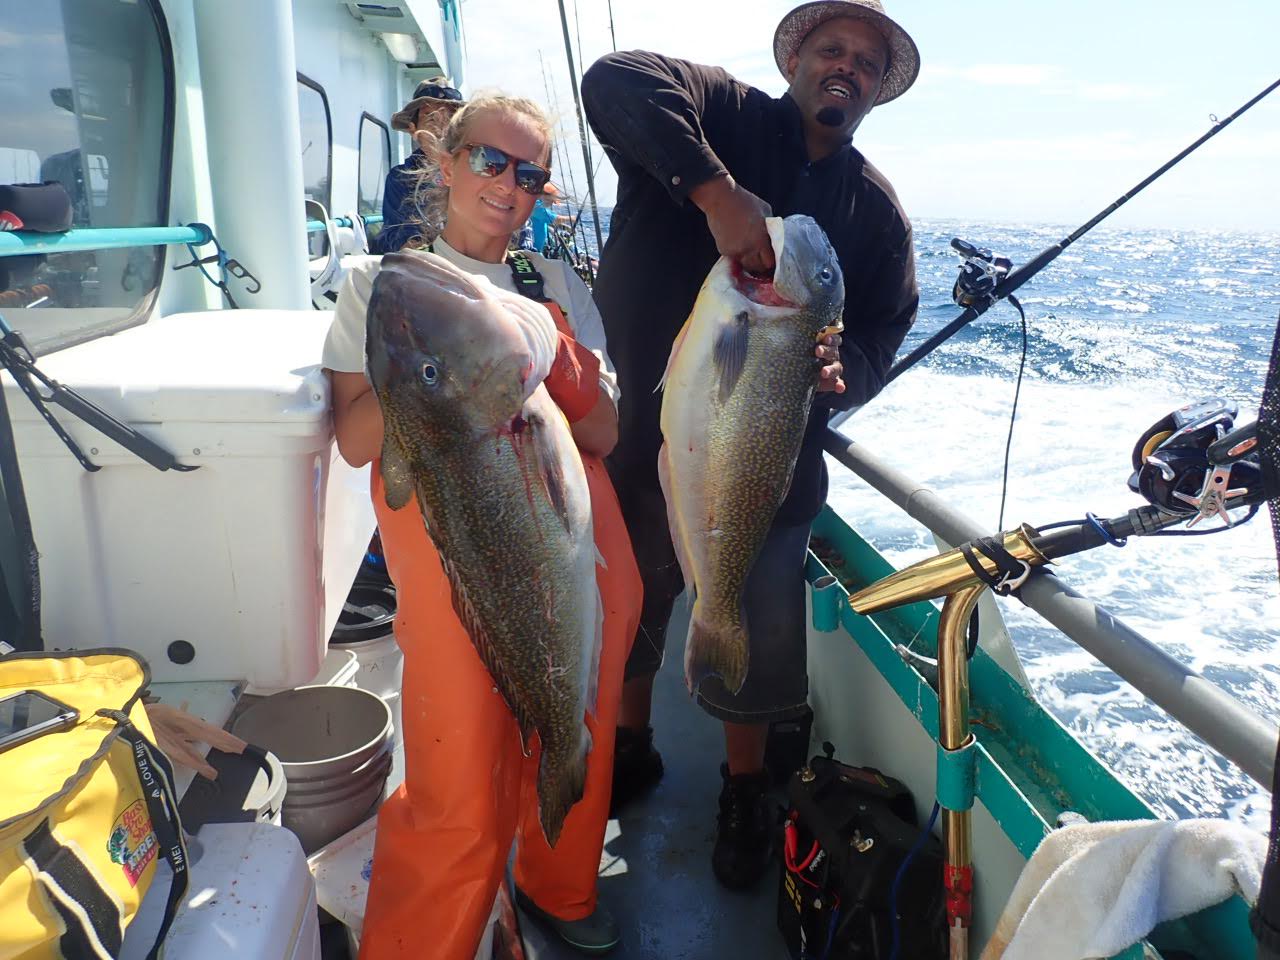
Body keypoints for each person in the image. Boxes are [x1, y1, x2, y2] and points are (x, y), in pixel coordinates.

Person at [581, 0, 921, 890]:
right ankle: (630, 744)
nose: (847, 67)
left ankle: (743, 791)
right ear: (795, 59)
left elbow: (884, 326)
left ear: (878, 91)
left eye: (867, 63)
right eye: (832, 48)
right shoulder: (719, 111)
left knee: (751, 621)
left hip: (768, 458)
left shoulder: (877, 211)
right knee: (635, 601)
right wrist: (715, 194)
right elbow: (614, 79)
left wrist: (850, 369)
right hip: (637, 432)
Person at [322, 92, 641, 959]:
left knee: (580, 711)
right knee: (459, 749)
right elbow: (356, 441)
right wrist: (431, 378)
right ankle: (425, 940)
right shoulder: (381, 283)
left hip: (567, 517)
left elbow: (605, 432)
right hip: (457, 532)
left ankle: (557, 882)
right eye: (490, 161)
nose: (508, 184)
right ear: (447, 162)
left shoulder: (553, 285)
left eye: (529, 174)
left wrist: (556, 356)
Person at [373, 79, 465, 253]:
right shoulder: (400, 177)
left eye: (448, 115)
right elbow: (395, 235)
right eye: (429, 115)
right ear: (412, 127)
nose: (439, 122)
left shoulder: (477, 169)